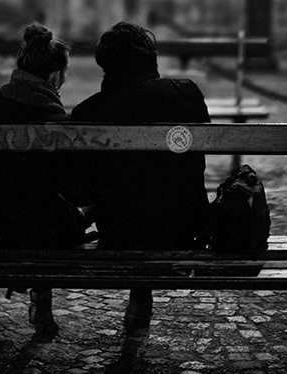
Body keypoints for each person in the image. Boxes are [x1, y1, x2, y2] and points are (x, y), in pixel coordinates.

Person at [70, 22, 211, 329]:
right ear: (151, 59)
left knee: (131, 199)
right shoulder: (187, 95)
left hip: (120, 232)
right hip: (184, 228)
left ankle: (138, 298)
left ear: (104, 64)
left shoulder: (88, 113)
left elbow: (80, 191)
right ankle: (141, 296)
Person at [0, 22, 86, 337]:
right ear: (54, 76)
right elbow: (72, 189)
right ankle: (41, 297)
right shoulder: (57, 120)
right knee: (53, 211)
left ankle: (32, 289)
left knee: (31, 207)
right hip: (44, 235)